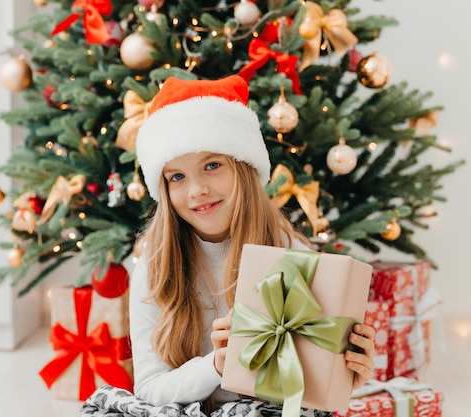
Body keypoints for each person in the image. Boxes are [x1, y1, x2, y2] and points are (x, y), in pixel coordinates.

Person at [81, 75, 375, 417]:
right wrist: (218, 365)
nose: (196, 190)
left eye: (212, 166)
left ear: (244, 168)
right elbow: (149, 389)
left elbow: (305, 387)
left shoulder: (291, 253)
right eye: (177, 176)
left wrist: (344, 371)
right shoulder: (155, 265)